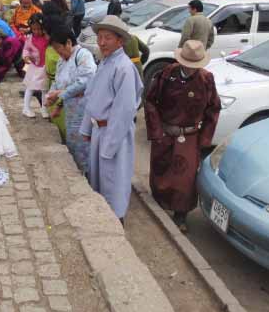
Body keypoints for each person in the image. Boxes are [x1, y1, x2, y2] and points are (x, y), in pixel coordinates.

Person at [144, 40, 221, 229]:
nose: (190, 68)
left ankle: (181, 215)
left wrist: (204, 139)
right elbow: (150, 101)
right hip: (165, 132)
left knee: (185, 178)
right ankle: (159, 204)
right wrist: (156, 131)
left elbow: (214, 109)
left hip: (189, 135)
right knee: (160, 170)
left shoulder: (206, 79)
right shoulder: (167, 74)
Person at [79, 16, 144, 222]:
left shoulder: (123, 68)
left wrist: (109, 145)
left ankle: (117, 219)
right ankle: (103, 215)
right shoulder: (105, 62)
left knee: (113, 179)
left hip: (114, 133)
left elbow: (123, 112)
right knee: (98, 178)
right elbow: (92, 96)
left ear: (120, 41)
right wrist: (87, 129)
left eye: (107, 38)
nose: (102, 42)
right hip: (99, 130)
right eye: (99, 37)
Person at [46, 28, 97, 174]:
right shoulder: (62, 61)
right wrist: (52, 98)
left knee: (84, 144)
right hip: (71, 111)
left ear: (68, 43)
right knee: (73, 144)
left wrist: (60, 94)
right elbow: (57, 82)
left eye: (59, 48)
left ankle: (88, 176)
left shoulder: (83, 55)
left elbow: (85, 81)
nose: (58, 53)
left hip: (84, 108)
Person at [22, 17, 50, 118]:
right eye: (34, 29)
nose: (37, 31)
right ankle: (26, 108)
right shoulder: (30, 38)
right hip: (34, 66)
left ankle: (44, 108)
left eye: (39, 29)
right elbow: (26, 49)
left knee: (45, 89)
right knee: (30, 87)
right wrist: (26, 56)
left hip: (45, 66)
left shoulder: (47, 38)